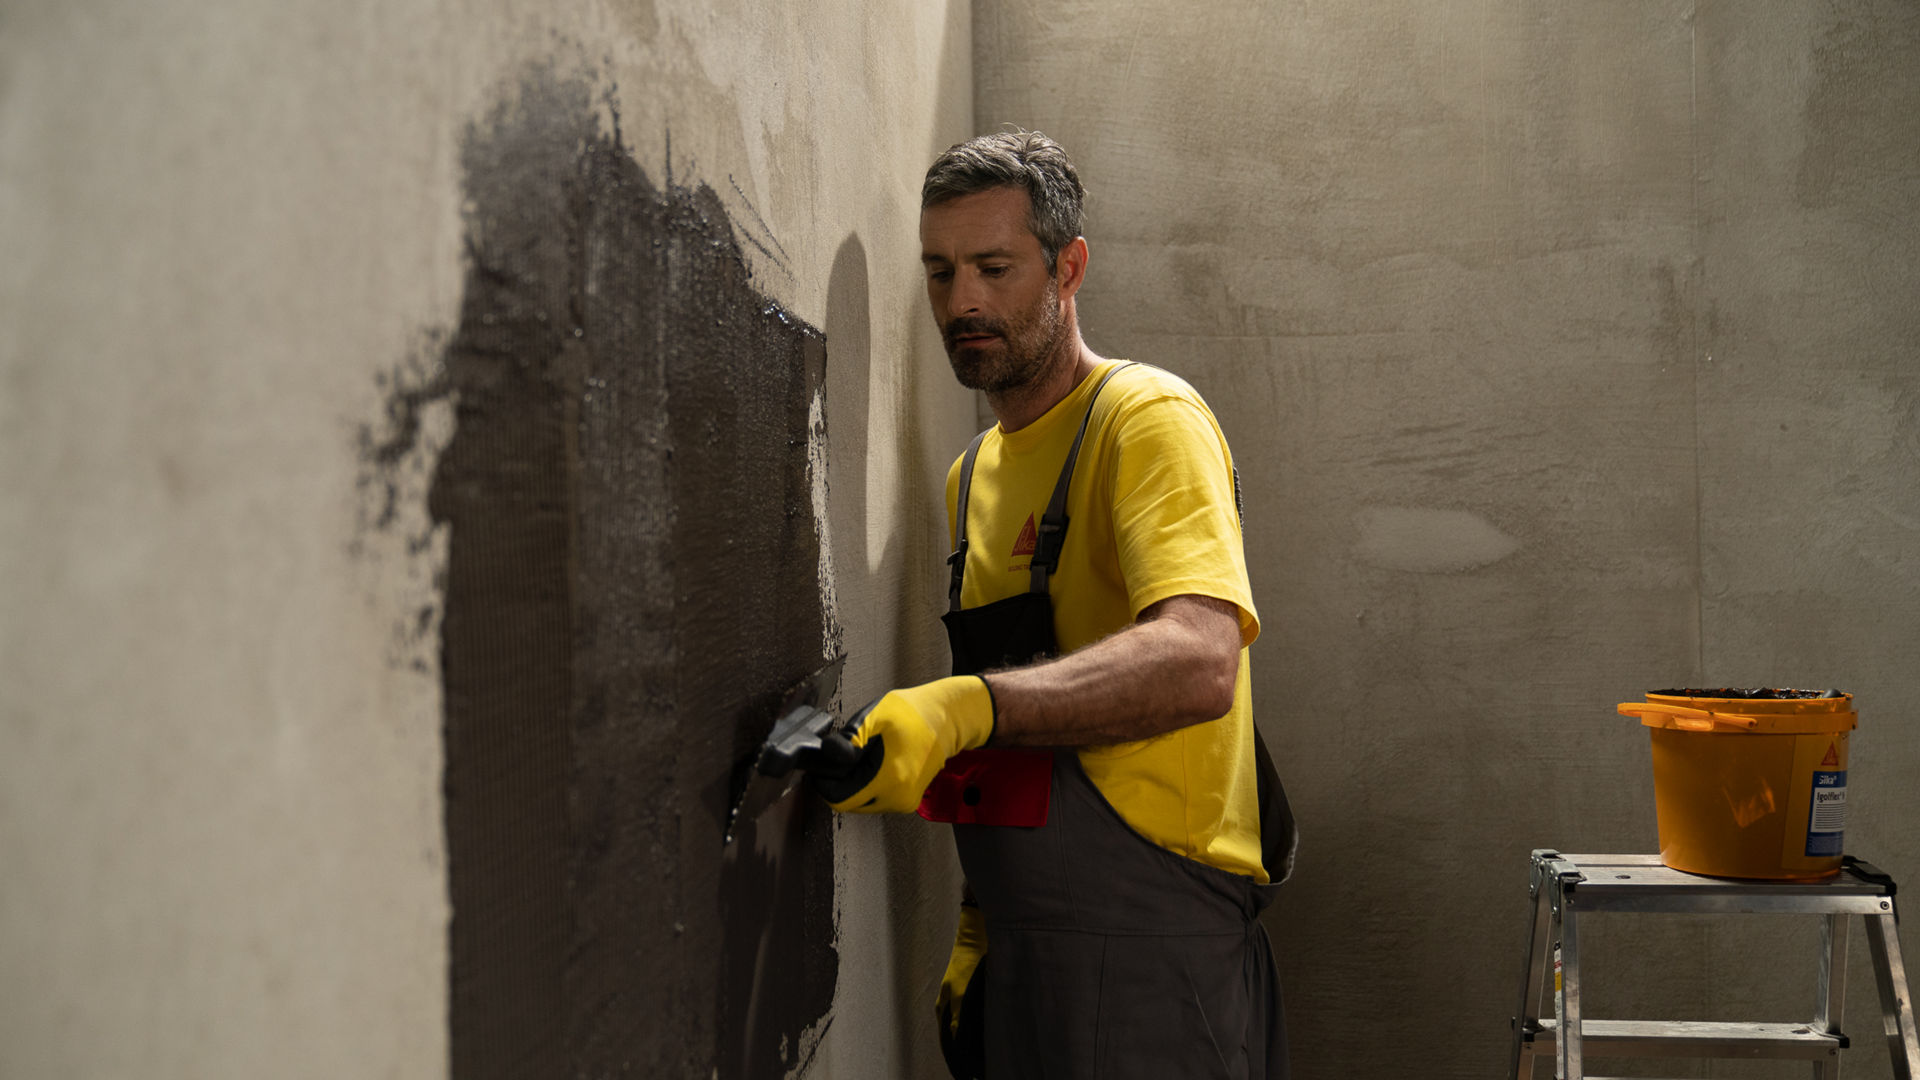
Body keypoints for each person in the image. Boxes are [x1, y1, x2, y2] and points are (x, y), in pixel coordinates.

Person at [813, 130, 1297, 1080]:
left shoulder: (1145, 422)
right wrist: (977, 921)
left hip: (1158, 937)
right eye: (941, 272)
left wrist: (966, 707)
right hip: (1025, 946)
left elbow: (1201, 661)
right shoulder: (971, 478)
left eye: (995, 267)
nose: (965, 302)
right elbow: (1022, 748)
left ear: (1069, 266)